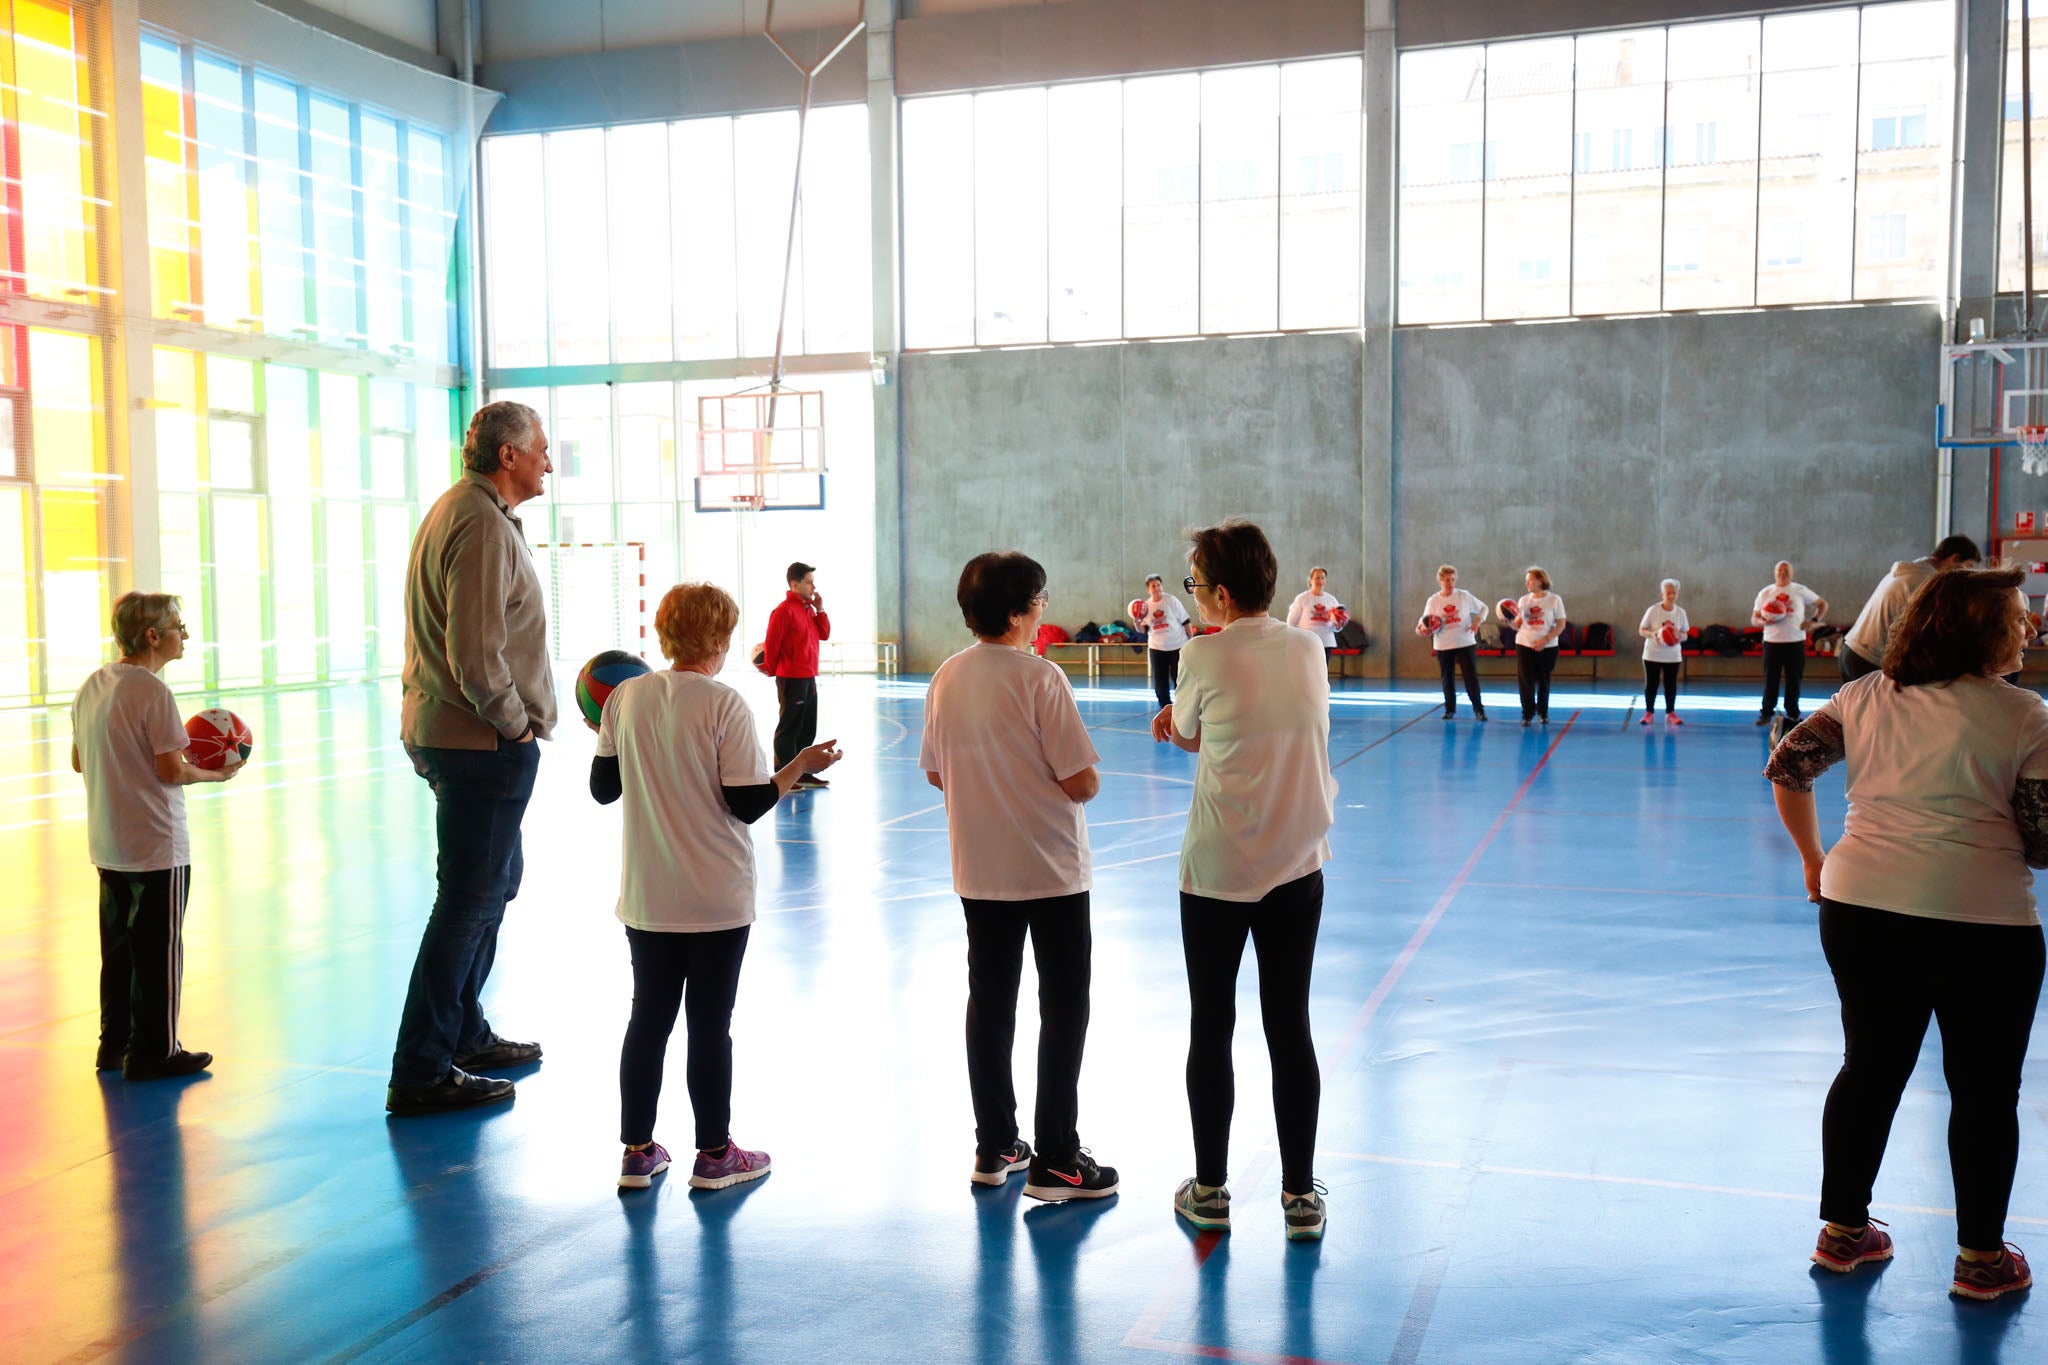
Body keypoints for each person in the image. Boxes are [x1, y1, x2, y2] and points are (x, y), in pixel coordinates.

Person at [1765, 567, 2045, 1302]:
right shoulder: (2025, 715)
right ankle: (1982, 1260)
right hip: (1980, 921)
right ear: (1983, 632)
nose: (2029, 628)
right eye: (2018, 617)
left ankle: (1843, 1233)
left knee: (1870, 1067)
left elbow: (1790, 764)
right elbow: (2044, 844)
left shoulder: (1861, 696)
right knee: (1984, 1090)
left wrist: (1814, 859)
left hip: (1858, 907)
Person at [590, 582, 841, 1191]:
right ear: (723, 640)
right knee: (709, 1023)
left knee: (647, 1018)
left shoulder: (623, 699)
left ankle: (637, 1150)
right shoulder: (725, 703)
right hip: (715, 897)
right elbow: (748, 803)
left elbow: (603, 789)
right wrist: (799, 765)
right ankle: (715, 1154)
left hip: (648, 896)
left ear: (662, 634)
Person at [1154, 520, 1335, 1242]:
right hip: (1298, 863)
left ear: (1221, 593)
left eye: (1196, 585)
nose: (1193, 597)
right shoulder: (1308, 646)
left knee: (1213, 1022)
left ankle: (1211, 1189)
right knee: (1290, 1023)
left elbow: (1195, 730)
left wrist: (1173, 723)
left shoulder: (1201, 651)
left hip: (1219, 868)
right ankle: (1299, 1196)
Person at [923, 553, 1117, 1202]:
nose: (1043, 610)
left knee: (991, 1002)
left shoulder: (947, 676)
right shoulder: (1041, 678)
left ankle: (996, 1143)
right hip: (1051, 867)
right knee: (1063, 1007)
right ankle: (1058, 1155)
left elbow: (933, 769)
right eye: (1039, 600)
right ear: (1016, 613)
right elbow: (1081, 779)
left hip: (978, 868)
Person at [387, 401, 556, 1117]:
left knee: (495, 883)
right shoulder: (481, 523)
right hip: (478, 741)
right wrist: (515, 728)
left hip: (461, 735)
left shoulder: (468, 510)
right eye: (542, 448)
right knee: (468, 900)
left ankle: (464, 1029)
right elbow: (475, 651)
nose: (551, 460)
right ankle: (423, 1068)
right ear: (509, 455)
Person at [71, 592, 243, 1081]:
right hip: (156, 846)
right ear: (152, 636)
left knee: (119, 951)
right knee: (160, 952)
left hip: (108, 842)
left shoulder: (93, 684)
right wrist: (217, 775)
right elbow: (172, 770)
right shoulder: (152, 692)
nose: (184, 635)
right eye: (178, 626)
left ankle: (115, 1044)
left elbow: (79, 760)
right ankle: (156, 1051)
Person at [1838, 536, 1981, 682]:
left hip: (1852, 651)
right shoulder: (1923, 580)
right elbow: (1924, 631)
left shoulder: (1910, 570)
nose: (1966, 573)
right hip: (1867, 658)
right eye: (1968, 566)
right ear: (1954, 558)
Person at [764, 561, 832, 790]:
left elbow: (824, 634)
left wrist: (820, 609)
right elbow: (772, 644)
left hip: (809, 676)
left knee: (807, 726)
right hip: (791, 678)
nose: (814, 587)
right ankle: (784, 773)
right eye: (809, 582)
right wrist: (771, 670)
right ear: (795, 584)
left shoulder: (808, 610)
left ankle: (802, 772)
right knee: (789, 727)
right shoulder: (783, 611)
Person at [1753, 561, 1827, 726]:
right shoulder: (1766, 592)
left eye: (1786, 570)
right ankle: (1766, 713)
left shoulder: (1799, 590)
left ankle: (1793, 713)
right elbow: (1754, 617)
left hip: (1795, 642)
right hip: (1772, 642)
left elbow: (1822, 604)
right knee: (1771, 680)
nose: (1782, 572)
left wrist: (1813, 621)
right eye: (1779, 569)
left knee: (1794, 679)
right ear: (1774, 572)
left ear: (1792, 573)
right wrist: (1763, 621)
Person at [1416, 564, 1488, 721]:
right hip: (1443, 644)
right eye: (1447, 580)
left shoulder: (1464, 596)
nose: (1450, 583)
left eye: (1453, 580)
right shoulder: (1433, 600)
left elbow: (1484, 608)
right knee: (1447, 677)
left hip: (1465, 642)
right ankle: (1450, 709)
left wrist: (1477, 621)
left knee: (1471, 677)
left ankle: (1479, 709)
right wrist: (1423, 629)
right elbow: (1423, 623)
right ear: (1440, 581)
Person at [1130, 573, 1193, 710]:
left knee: (1179, 678)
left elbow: (1186, 621)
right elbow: (1142, 630)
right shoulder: (1145, 607)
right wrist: (1136, 622)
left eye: (1158, 585)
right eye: (1153, 586)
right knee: (1160, 679)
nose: (1157, 588)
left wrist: (1190, 640)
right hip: (1157, 648)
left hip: (1177, 645)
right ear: (1148, 589)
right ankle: (1165, 706)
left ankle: (1182, 704)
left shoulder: (1171, 600)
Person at [1514, 567, 1567, 727]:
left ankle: (1543, 713)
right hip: (1524, 643)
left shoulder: (1554, 600)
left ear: (1540, 580)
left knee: (1543, 680)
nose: (1527, 583)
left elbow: (1561, 624)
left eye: (1530, 580)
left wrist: (1545, 640)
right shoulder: (1524, 600)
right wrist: (1510, 619)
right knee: (1525, 680)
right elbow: (1518, 625)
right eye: (1526, 580)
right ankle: (1527, 713)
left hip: (1547, 646)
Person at [1638, 578, 1690, 726]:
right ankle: (1649, 712)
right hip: (1652, 653)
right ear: (1662, 594)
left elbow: (1686, 633)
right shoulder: (1653, 610)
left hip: (1673, 655)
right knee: (1652, 683)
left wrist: (1679, 636)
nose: (1671, 596)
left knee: (1671, 684)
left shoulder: (1681, 613)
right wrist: (1654, 634)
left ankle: (1670, 713)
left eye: (1674, 593)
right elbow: (1641, 630)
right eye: (1668, 593)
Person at [1285, 567, 1344, 659]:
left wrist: (1338, 625)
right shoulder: (1302, 598)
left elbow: (1336, 626)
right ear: (1310, 580)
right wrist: (1292, 640)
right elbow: (1291, 622)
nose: (1320, 580)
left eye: (1323, 578)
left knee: (1323, 672)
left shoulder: (1332, 600)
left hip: (1326, 642)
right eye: (1317, 578)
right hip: (1306, 642)